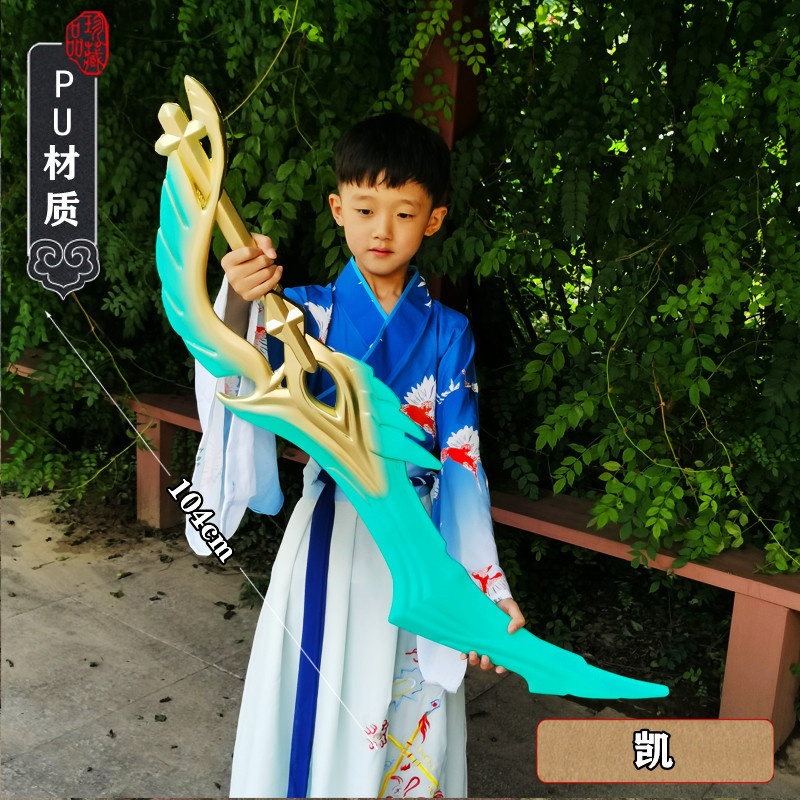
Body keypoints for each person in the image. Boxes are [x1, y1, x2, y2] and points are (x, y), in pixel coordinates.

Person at [187, 114, 524, 798]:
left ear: (434, 220)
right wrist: (240, 301)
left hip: (421, 542)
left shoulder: (449, 332)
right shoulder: (300, 315)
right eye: (366, 209)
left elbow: (462, 460)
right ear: (338, 209)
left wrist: (484, 586)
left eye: (405, 212)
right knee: (318, 693)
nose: (382, 230)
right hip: (331, 535)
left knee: (407, 701)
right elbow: (233, 369)